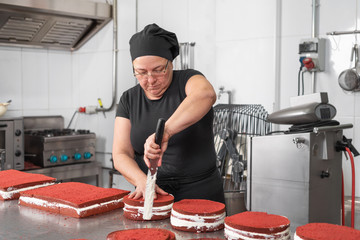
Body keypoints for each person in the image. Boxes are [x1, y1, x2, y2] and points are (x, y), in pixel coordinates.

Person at [112, 23, 225, 203]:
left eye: (158, 70)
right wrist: (142, 181)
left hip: (201, 195)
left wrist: (165, 131)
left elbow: (206, 94)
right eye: (141, 72)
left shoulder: (189, 79)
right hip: (152, 195)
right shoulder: (129, 99)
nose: (150, 80)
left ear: (171, 64)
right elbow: (120, 154)